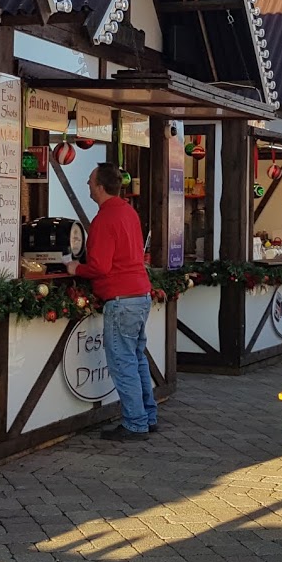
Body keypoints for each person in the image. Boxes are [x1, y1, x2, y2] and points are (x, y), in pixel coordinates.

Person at [75, 162, 157, 440]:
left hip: (121, 298)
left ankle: (135, 422)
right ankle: (148, 415)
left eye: (89, 181)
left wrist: (75, 269)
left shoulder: (104, 219)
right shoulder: (128, 212)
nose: (87, 185)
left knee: (123, 362)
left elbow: (99, 266)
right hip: (140, 293)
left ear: (99, 186)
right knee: (136, 358)